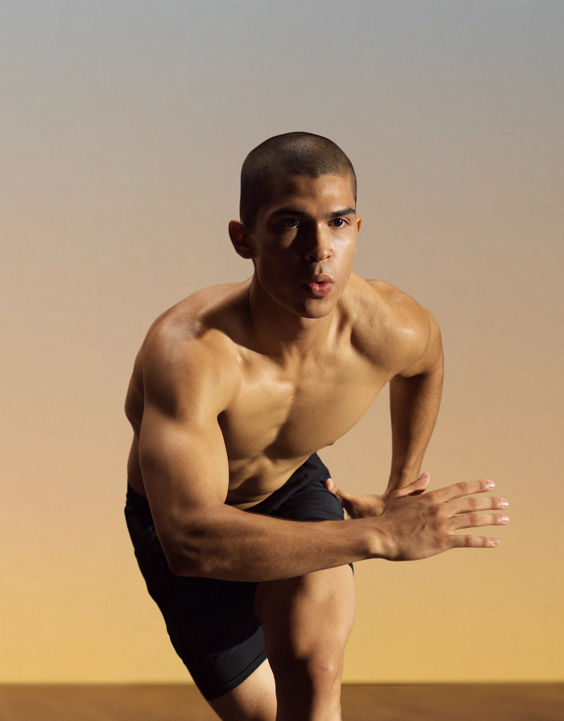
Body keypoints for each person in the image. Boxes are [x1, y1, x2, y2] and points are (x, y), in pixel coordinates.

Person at [124, 132, 509, 721]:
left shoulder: (390, 327)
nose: (318, 249)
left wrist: (400, 487)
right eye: (289, 224)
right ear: (242, 239)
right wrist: (382, 536)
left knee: (315, 680)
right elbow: (191, 540)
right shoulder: (192, 352)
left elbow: (424, 364)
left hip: (295, 492)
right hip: (185, 527)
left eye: (338, 222)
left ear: (358, 230)